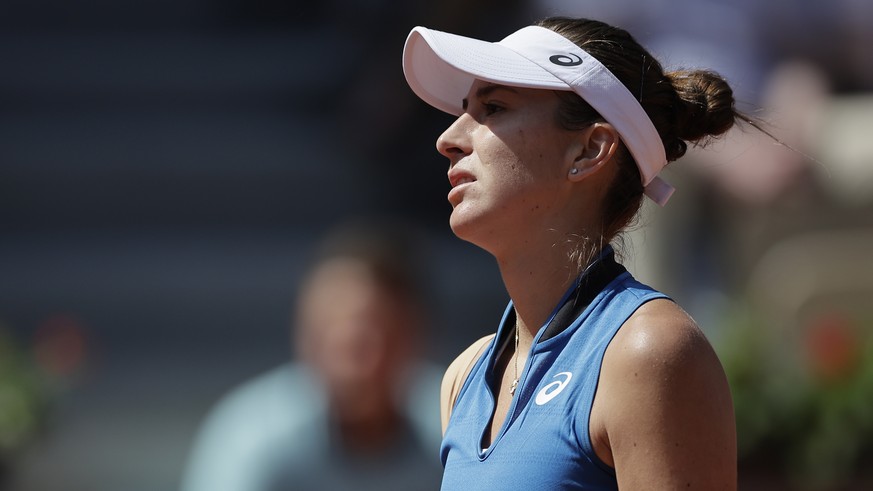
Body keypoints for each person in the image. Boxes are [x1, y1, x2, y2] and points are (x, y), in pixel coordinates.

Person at [402, 16, 738, 489]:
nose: (448, 140)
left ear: (589, 149)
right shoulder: (463, 378)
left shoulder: (649, 352)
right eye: (466, 109)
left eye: (493, 107)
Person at [179, 220, 443, 491]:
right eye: (324, 331)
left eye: (364, 340)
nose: (346, 360)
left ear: (414, 335)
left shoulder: (459, 430)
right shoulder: (249, 438)